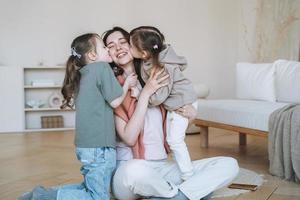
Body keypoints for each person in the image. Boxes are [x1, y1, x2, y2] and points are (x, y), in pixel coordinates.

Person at [103, 27, 239, 200]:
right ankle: (188, 193)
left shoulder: (155, 76)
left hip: (161, 169)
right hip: (130, 171)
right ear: (108, 54)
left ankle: (175, 195)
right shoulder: (114, 89)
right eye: (111, 46)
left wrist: (189, 114)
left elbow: (173, 119)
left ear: (136, 46)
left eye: (123, 42)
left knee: (228, 165)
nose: (119, 48)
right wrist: (145, 94)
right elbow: (129, 138)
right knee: (134, 170)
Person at [19, 33, 137, 200]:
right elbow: (115, 102)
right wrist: (127, 85)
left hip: (87, 147)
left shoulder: (83, 74)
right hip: (99, 147)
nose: (108, 50)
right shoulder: (102, 68)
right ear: (92, 55)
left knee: (91, 188)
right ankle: (44, 197)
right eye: (104, 47)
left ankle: (44, 194)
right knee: (98, 197)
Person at [129, 26, 198, 181]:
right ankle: (180, 170)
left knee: (174, 140)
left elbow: (160, 96)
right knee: (171, 139)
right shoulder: (150, 61)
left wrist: (143, 96)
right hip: (177, 103)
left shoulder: (162, 67)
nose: (128, 47)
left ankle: (188, 175)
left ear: (144, 53)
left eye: (130, 46)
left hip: (182, 103)